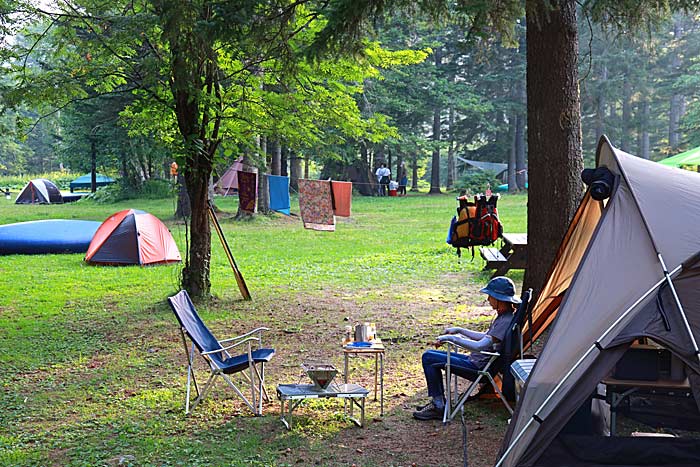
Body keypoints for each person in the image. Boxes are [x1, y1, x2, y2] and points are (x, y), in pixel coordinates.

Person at [412, 276, 520, 421]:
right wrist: (459, 330)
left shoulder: (505, 321)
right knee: (431, 355)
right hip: (476, 361)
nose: (488, 299)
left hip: (478, 367)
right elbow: (485, 337)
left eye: (490, 296)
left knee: (428, 357)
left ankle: (438, 405)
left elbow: (480, 346)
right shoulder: (505, 317)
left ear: (499, 299)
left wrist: (452, 338)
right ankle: (438, 402)